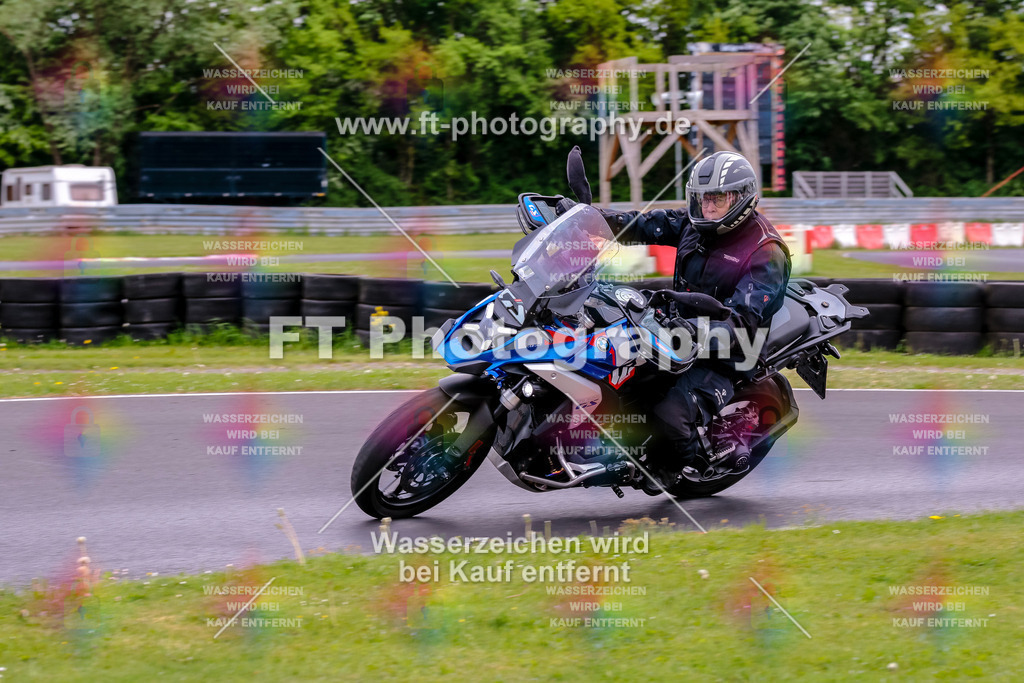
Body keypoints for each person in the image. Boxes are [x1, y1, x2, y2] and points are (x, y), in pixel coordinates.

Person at [556, 150, 792, 487]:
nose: (706, 207)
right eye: (701, 198)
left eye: (717, 199)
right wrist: (591, 218)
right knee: (608, 359)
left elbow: (742, 326)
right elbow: (644, 225)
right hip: (675, 333)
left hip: (727, 354)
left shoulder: (765, 253)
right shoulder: (697, 225)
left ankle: (667, 469)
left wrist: (689, 331)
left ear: (742, 198)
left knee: (669, 416)